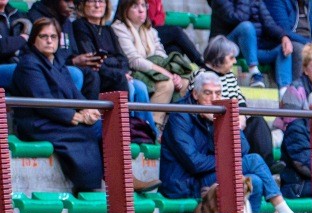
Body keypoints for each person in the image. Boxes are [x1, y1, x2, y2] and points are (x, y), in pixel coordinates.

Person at [159, 70, 296, 213]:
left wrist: (222, 123)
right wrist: (227, 161)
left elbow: (243, 148)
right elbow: (194, 163)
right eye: (208, 93)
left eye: (218, 93)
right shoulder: (180, 114)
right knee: (254, 160)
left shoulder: (219, 112)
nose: (214, 98)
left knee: (255, 181)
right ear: (195, 94)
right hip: (185, 183)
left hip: (209, 174)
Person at [11, 18, 104, 192]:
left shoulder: (57, 62)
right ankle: (92, 184)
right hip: (38, 123)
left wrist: (89, 110)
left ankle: (114, 177)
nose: (49, 40)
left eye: (53, 37)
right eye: (43, 36)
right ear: (34, 40)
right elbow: (43, 102)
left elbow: (75, 94)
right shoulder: (29, 64)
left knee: (102, 125)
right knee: (90, 131)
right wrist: (76, 117)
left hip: (55, 119)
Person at [190, 35, 275, 168]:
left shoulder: (229, 76)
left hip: (233, 121)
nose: (235, 61)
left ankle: (267, 164)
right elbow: (198, 105)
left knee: (257, 121)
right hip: (212, 124)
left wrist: (241, 117)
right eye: (231, 58)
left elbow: (239, 98)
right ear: (219, 58)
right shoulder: (200, 75)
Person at [72, 0, 156, 131]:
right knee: (129, 86)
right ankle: (127, 131)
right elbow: (93, 60)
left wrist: (120, 70)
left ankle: (148, 132)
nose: (97, 5)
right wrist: (118, 71)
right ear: (83, 5)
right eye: (92, 1)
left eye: (101, 1)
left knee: (140, 87)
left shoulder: (108, 29)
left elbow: (123, 58)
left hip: (115, 75)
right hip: (99, 76)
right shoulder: (80, 26)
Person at [112, 0, 190, 127]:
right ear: (124, 8)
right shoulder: (119, 28)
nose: (141, 10)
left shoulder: (150, 30)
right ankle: (153, 126)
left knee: (184, 82)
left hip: (154, 72)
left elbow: (161, 54)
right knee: (166, 84)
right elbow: (134, 61)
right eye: (135, 6)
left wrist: (172, 73)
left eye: (143, 5)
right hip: (135, 72)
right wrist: (166, 74)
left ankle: (174, 126)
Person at [209, 0, 291, 90]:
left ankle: (285, 93)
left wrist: (284, 37)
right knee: (246, 27)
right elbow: (237, 18)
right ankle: (254, 73)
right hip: (225, 48)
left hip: (250, 50)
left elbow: (269, 24)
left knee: (283, 48)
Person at [27, 0, 100, 96]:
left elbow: (73, 52)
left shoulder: (67, 22)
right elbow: (38, 54)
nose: (71, 6)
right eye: (67, 1)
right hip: (44, 66)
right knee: (74, 74)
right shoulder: (36, 17)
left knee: (92, 74)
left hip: (64, 65)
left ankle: (89, 109)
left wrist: (84, 60)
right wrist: (73, 62)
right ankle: (71, 109)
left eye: (74, 2)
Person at [264, 0, 312, 83]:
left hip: (308, 42)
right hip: (286, 41)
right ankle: (297, 90)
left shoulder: (310, 2)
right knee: (299, 49)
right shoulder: (278, 1)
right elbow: (283, 30)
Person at [147, 0, 201, 64]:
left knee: (176, 49)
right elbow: (149, 19)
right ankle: (200, 62)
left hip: (155, 30)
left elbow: (162, 15)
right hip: (146, 31)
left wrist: (157, 20)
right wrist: (156, 21)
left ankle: (176, 71)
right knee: (176, 31)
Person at [0, 0, 30, 87]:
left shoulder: (18, 14)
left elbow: (32, 45)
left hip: (22, 67)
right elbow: (2, 47)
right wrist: (22, 38)